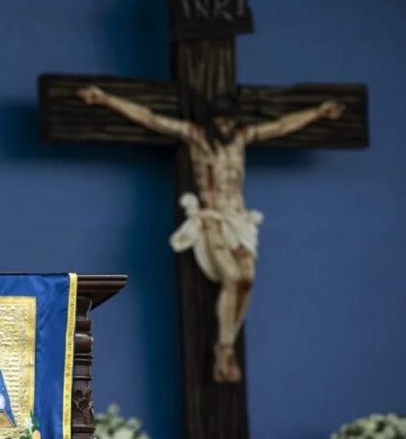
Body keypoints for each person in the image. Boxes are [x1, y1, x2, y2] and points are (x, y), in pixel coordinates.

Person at [77, 85, 344, 382]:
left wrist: (318, 113)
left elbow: (280, 127)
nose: (226, 125)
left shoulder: (242, 138)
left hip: (239, 220)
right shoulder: (195, 137)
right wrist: (106, 99)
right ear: (213, 120)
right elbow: (150, 118)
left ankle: (226, 344)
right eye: (221, 120)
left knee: (247, 280)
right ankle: (224, 350)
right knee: (231, 278)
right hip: (213, 219)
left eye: (230, 120)